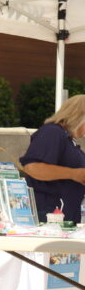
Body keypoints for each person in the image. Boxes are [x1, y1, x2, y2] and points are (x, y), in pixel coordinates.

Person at [19, 94, 85, 223]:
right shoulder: (52, 132)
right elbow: (33, 167)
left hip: (65, 215)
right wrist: (74, 174)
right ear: (79, 117)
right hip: (50, 215)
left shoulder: (67, 139)